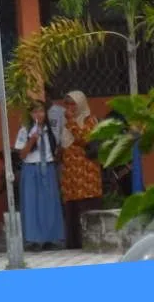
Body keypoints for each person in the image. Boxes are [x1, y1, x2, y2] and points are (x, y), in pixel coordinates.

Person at [17, 100, 65, 251]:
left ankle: (49, 238)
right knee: (32, 205)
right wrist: (32, 139)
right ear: (30, 115)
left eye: (41, 111)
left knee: (49, 204)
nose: (39, 115)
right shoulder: (25, 130)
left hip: (48, 169)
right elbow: (22, 154)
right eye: (35, 112)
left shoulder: (50, 130)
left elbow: (55, 151)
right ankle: (34, 239)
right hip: (32, 169)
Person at [60, 90, 103, 249]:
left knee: (87, 207)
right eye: (67, 104)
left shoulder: (90, 120)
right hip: (71, 174)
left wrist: (72, 122)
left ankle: (91, 241)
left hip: (86, 173)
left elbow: (84, 139)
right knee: (72, 208)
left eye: (73, 104)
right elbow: (64, 146)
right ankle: (74, 243)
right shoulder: (66, 124)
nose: (70, 107)